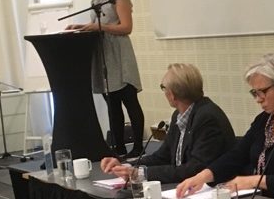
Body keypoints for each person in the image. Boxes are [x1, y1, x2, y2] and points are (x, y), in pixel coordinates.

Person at [175, 53, 274, 198]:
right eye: (254, 93)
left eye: (262, 91)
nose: (258, 99)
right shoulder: (264, 120)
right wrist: (202, 176)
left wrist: (253, 181)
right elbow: (237, 155)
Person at [100, 63, 235, 183]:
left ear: (172, 94)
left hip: (214, 190)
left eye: (163, 87)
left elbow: (194, 169)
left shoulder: (207, 118)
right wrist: (126, 166)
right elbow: (162, 156)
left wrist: (141, 174)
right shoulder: (179, 115)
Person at [66, 0, 145, 158]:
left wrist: (100, 27)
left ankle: (138, 147)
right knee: (112, 105)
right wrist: (81, 27)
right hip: (102, 54)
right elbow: (96, 24)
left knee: (129, 101)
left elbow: (126, 27)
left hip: (119, 54)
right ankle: (119, 147)